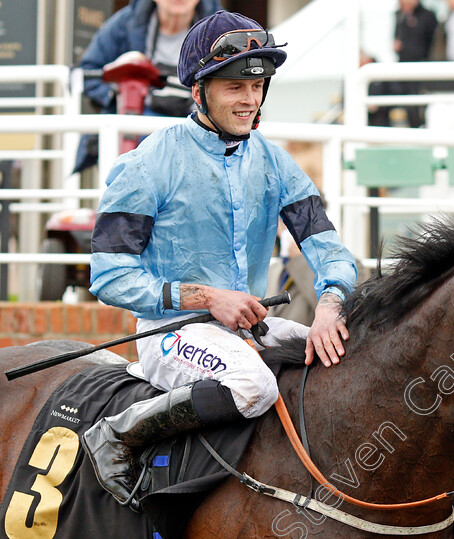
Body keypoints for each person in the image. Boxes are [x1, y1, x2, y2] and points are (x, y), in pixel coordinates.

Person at [82, 10, 357, 509]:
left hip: (245, 329)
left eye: (258, 86)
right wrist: (207, 297)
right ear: (198, 90)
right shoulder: (148, 162)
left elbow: (328, 248)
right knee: (253, 384)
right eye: (235, 87)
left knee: (347, 355)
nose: (250, 100)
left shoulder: (276, 162)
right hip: (168, 334)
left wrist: (331, 304)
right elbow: (108, 276)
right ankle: (118, 434)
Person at [74, 0, 221, 173]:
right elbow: (86, 73)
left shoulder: (221, 28)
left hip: (198, 119)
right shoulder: (125, 23)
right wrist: (118, 93)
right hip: (137, 123)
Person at [394, 0, 437, 128]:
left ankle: (424, 127)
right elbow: (397, 38)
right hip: (405, 68)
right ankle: (415, 129)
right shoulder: (400, 16)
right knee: (409, 102)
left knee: (423, 102)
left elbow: (434, 42)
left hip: (424, 68)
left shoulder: (428, 16)